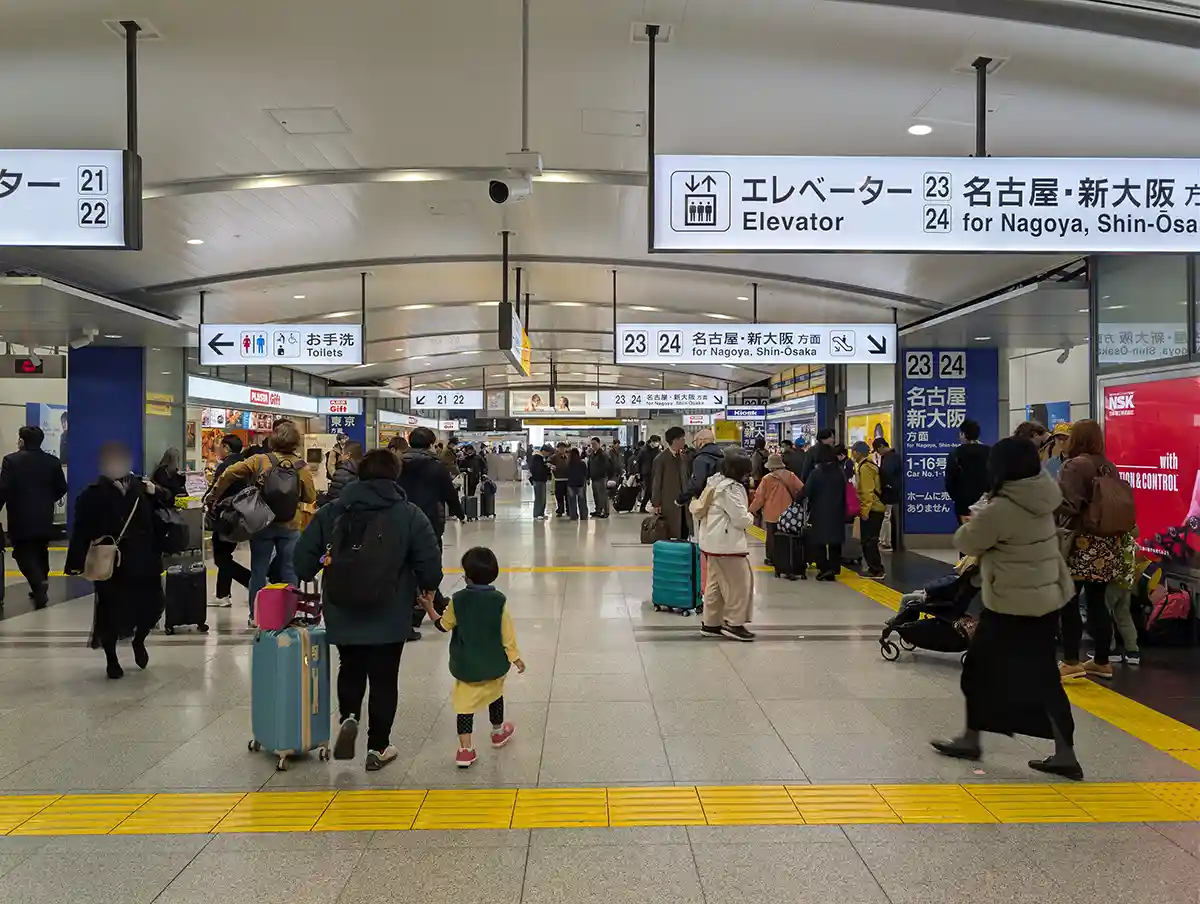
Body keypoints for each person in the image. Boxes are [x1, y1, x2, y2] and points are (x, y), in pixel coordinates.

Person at [931, 437, 1082, 781]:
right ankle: (1065, 753)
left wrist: (976, 517)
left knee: (977, 670)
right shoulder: (1042, 492)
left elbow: (967, 541)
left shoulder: (1001, 507)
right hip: (1046, 599)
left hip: (1012, 603)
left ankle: (971, 739)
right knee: (1045, 678)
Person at [294, 450, 443, 771]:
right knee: (384, 677)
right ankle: (378, 747)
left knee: (350, 666)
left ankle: (349, 715)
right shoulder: (409, 514)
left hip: (342, 605)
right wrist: (427, 588)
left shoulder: (333, 511)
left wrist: (314, 569)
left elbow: (302, 561)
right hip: (390, 609)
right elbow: (430, 563)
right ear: (395, 475)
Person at [65, 441, 170, 678]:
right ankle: (111, 659)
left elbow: (169, 500)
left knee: (154, 605)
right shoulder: (92, 494)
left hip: (145, 559)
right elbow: (81, 530)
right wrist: (75, 562)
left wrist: (158, 491)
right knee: (110, 612)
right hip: (112, 562)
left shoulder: (142, 487)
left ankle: (139, 639)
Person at [212, 421, 317, 625]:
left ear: (273, 439)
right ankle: (288, 613)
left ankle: (256, 616)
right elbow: (310, 496)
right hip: (291, 525)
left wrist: (215, 495)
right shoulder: (301, 466)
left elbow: (228, 474)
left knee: (258, 570)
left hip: (261, 523)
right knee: (289, 570)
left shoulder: (260, 460)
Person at [430, 546, 524, 768]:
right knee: (495, 694)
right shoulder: (499, 601)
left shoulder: (458, 600)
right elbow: (507, 634)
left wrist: (428, 608)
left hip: (466, 667)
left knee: (464, 706)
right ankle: (498, 732)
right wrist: (515, 658)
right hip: (493, 664)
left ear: (467, 577)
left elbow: (444, 625)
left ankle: (465, 751)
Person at [1056, 419, 1123, 681]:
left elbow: (1066, 504)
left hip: (1078, 541)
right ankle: (1102, 661)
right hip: (1106, 541)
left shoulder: (1074, 465)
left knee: (1069, 600)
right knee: (1097, 602)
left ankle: (1071, 661)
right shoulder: (1109, 467)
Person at [398, 427, 466, 639]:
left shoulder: (398, 463)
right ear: (430, 443)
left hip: (402, 520)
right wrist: (460, 513)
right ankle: (418, 610)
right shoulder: (436, 466)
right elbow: (449, 493)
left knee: (405, 563)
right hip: (430, 521)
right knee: (429, 563)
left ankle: (432, 601)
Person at [0, 425, 68, 608]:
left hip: (20, 517)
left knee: (22, 553)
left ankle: (39, 583)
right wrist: (47, 500)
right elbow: (62, 487)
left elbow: (3, 489)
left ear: (21, 441)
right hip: (44, 516)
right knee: (40, 549)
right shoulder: (52, 462)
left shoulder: (10, 461)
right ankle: (40, 582)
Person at [694, 455, 756, 641]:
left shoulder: (714, 484)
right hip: (727, 545)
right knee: (740, 584)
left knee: (716, 585)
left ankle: (711, 623)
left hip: (712, 542)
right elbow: (740, 519)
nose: (748, 476)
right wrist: (751, 516)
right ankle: (733, 623)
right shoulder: (731, 489)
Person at [207, 434, 250, 607]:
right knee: (225, 554)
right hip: (243, 517)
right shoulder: (248, 463)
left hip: (226, 517)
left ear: (226, 447)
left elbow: (217, 490)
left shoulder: (225, 466)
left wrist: (209, 502)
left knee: (220, 557)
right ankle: (222, 595)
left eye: (220, 446)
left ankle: (249, 579)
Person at [797, 443, 848, 581]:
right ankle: (833, 568)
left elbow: (807, 491)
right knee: (835, 542)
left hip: (820, 511)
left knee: (818, 541)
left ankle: (824, 567)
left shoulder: (817, 473)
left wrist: (797, 499)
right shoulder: (839, 472)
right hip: (838, 510)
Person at [750, 452, 803, 570]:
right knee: (786, 536)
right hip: (788, 513)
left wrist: (751, 510)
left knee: (771, 536)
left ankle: (771, 558)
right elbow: (801, 489)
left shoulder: (767, 479)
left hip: (771, 513)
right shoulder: (791, 475)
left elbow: (759, 498)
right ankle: (785, 557)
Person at [851, 441, 887, 579]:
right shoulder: (868, 465)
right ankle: (875, 568)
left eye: (853, 451)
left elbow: (867, 492)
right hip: (875, 507)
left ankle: (876, 570)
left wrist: (864, 511)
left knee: (869, 540)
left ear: (858, 452)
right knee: (869, 540)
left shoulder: (865, 467)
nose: (852, 454)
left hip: (873, 509)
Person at [945, 419, 991, 524]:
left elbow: (949, 481)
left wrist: (957, 498)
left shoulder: (955, 454)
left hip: (963, 503)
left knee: (965, 533)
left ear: (963, 434)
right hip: (986, 502)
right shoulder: (990, 452)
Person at [651, 427, 691, 540]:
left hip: (684, 503)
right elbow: (656, 482)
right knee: (670, 532)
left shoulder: (683, 458)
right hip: (668, 502)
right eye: (682, 439)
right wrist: (656, 503)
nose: (684, 441)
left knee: (684, 530)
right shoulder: (661, 459)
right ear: (674, 441)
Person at [681, 428, 725, 506]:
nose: (694, 445)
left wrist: (682, 499)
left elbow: (697, 484)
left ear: (701, 441)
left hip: (706, 502)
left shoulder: (701, 459)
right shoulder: (723, 457)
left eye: (695, 441)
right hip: (722, 500)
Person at [873, 437, 901, 551]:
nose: (877, 453)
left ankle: (886, 541)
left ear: (881, 447)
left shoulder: (891, 457)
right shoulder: (891, 456)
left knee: (886, 516)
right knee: (887, 516)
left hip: (889, 492)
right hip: (890, 490)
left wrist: (885, 485)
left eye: (877, 450)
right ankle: (885, 540)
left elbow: (887, 473)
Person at [587, 436, 615, 518]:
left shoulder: (603, 455)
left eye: (594, 444)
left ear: (599, 444)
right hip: (594, 478)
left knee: (603, 496)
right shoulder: (592, 454)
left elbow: (608, 466)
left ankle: (605, 511)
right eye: (592, 444)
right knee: (596, 495)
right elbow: (589, 466)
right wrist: (588, 476)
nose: (593, 446)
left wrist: (609, 477)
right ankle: (598, 510)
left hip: (602, 478)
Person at [636, 436, 661, 513]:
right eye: (656, 441)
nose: (657, 443)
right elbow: (638, 462)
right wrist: (638, 472)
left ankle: (654, 506)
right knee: (649, 490)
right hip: (646, 473)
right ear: (651, 441)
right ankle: (647, 506)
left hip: (655, 472)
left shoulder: (657, 451)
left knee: (652, 490)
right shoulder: (644, 450)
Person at [564, 447, 588, 520]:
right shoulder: (582, 463)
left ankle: (573, 516)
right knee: (582, 501)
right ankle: (583, 516)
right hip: (580, 484)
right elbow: (585, 473)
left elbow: (566, 474)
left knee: (572, 501)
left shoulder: (568, 464)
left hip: (571, 484)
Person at [528, 445, 551, 520]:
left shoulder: (541, 458)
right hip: (538, 480)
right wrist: (547, 468)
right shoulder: (537, 457)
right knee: (539, 497)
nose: (548, 454)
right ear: (544, 451)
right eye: (548, 452)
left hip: (541, 480)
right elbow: (539, 469)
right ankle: (537, 514)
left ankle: (541, 513)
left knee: (542, 498)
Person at [550, 442, 570, 517]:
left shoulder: (568, 456)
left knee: (568, 496)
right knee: (559, 496)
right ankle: (560, 510)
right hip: (558, 479)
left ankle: (569, 510)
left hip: (568, 480)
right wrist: (551, 466)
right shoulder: (554, 457)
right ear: (557, 448)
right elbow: (547, 462)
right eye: (560, 448)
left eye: (563, 448)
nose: (562, 449)